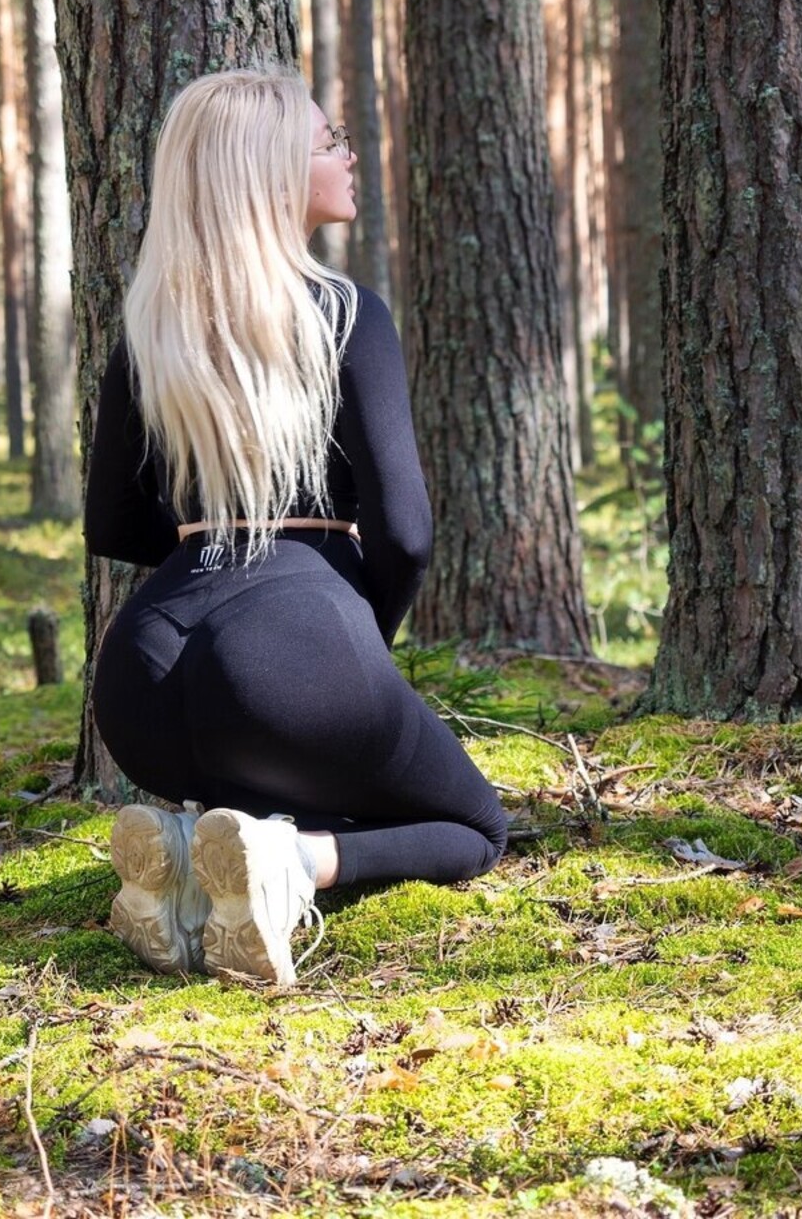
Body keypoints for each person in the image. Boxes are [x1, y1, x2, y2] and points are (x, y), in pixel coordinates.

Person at [85, 68, 507, 986]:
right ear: (273, 173)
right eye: (330, 142)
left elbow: (112, 522)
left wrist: (213, 566)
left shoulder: (150, 334)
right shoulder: (346, 313)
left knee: (289, 785)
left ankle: (188, 859)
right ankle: (293, 866)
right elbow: (405, 532)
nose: (349, 155)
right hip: (292, 660)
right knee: (476, 827)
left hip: (139, 681)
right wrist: (344, 637)